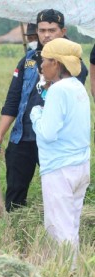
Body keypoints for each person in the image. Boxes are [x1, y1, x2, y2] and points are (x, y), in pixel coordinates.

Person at [0, 9, 88, 212]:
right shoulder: (28, 60)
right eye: (42, 30)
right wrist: (0, 134)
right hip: (23, 136)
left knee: (59, 193)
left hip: (54, 140)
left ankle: (59, 234)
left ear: (63, 31)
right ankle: (14, 229)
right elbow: (13, 99)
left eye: (52, 30)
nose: (46, 35)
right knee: (15, 191)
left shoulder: (73, 64)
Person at [30, 38, 90, 255]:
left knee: (59, 229)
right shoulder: (76, 87)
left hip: (59, 169)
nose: (41, 66)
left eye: (44, 61)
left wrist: (36, 114)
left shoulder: (58, 91)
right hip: (79, 166)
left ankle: (66, 272)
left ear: (56, 63)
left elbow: (47, 132)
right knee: (71, 224)